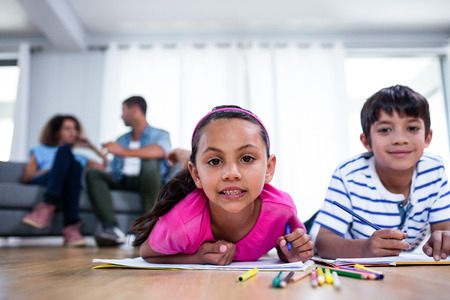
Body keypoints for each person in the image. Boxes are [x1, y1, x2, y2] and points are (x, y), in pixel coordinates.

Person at [131, 105, 314, 264]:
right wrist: (197, 258)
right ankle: (183, 156)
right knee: (186, 173)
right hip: (194, 186)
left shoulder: (283, 210)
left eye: (247, 158)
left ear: (269, 168)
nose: (231, 174)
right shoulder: (182, 223)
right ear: (196, 175)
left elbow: (289, 248)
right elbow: (147, 253)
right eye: (215, 161)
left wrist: (289, 252)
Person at [311, 85, 450, 260]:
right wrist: (365, 249)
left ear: (427, 137)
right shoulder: (348, 174)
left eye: (412, 128)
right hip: (353, 259)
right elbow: (323, 243)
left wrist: (443, 240)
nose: (400, 139)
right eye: (385, 129)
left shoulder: (434, 170)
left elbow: (444, 231)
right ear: (366, 141)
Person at [85, 96, 171, 247]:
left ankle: (147, 227)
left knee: (150, 164)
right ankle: (110, 228)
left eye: (123, 110)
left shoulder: (160, 134)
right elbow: (115, 166)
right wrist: (103, 167)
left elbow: (160, 151)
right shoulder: (122, 139)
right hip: (122, 179)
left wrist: (123, 151)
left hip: (146, 180)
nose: (121, 115)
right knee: (93, 174)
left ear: (135, 110)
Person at [22, 115, 106, 247]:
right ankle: (71, 226)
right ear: (56, 132)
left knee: (75, 165)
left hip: (69, 181)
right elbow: (27, 177)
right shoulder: (40, 150)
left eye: (75, 129)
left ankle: (47, 208)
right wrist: (57, 168)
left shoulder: (79, 156)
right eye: (67, 128)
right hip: (46, 179)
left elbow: (106, 166)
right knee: (65, 151)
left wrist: (90, 146)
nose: (73, 132)